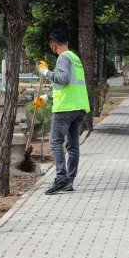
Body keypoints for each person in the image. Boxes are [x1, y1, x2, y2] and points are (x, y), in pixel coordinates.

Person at [34, 29, 90, 195]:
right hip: (78, 107)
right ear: (67, 42)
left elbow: (64, 79)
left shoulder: (63, 58)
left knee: (55, 143)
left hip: (65, 109)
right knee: (73, 146)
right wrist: (45, 97)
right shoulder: (75, 58)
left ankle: (61, 178)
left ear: (53, 45)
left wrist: (46, 72)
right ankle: (69, 181)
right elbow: (68, 86)